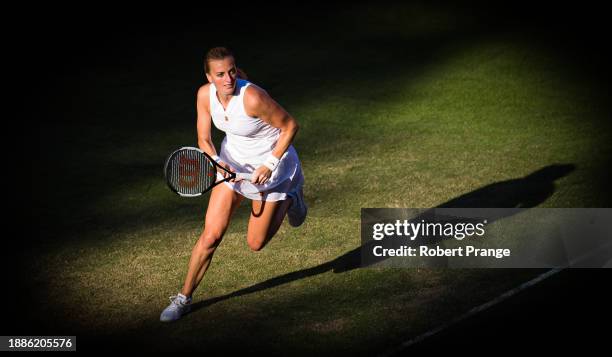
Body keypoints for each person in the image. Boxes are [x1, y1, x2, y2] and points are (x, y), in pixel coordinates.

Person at [160, 47, 307, 322]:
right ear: (208, 77)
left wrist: (270, 164)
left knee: (255, 242)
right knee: (211, 235)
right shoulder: (204, 95)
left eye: (231, 71)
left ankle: (292, 195)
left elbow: (290, 126)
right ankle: (184, 298)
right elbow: (204, 140)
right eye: (220, 74)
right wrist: (217, 161)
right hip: (231, 165)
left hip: (271, 170)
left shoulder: (252, 97)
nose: (228, 79)